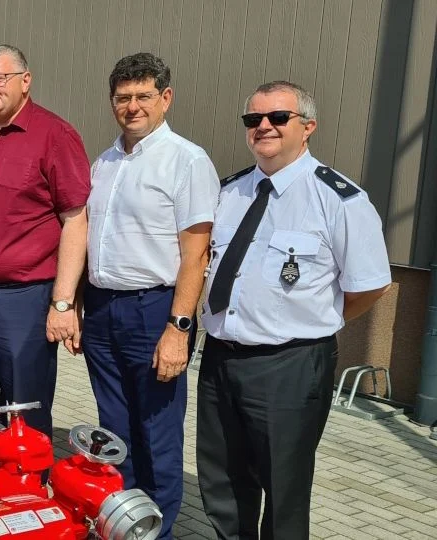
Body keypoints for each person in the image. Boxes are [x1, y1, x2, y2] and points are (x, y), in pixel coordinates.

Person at [197, 81, 391, 539]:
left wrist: (316, 319)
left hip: (290, 364)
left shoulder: (339, 199)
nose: (263, 127)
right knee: (222, 480)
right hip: (221, 358)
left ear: (308, 127)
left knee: (283, 490)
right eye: (253, 120)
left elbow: (370, 286)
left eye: (278, 118)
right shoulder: (229, 192)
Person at [83, 53, 219, 539]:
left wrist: (179, 328)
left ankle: (155, 530)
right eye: (123, 98)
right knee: (114, 431)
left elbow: (196, 255)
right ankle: (123, 524)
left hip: (155, 311)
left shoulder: (187, 160)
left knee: (156, 432)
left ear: (166, 98)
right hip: (102, 309)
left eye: (143, 96)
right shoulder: (105, 162)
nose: (132, 107)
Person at [0, 44, 90, 445]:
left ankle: (25, 494)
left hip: (21, 301)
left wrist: (63, 303)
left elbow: (75, 221)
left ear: (25, 81)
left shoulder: (55, 136)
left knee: (24, 406)